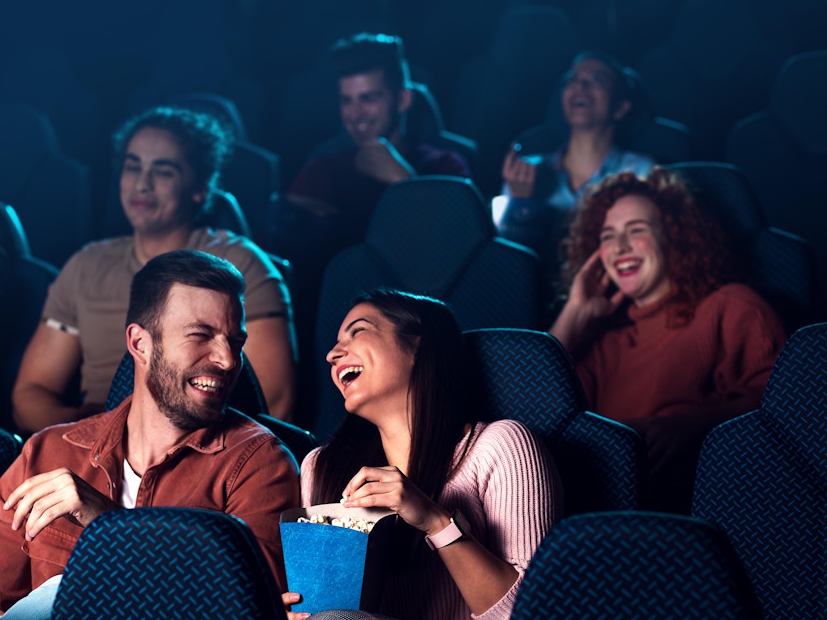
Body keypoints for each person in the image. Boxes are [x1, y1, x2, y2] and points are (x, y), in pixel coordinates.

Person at [0, 250, 300, 620]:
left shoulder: (259, 463)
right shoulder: (48, 452)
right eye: (201, 335)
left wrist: (111, 527)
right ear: (140, 343)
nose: (228, 360)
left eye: (235, 342)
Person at [286, 288, 561, 620]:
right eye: (334, 343)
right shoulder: (321, 467)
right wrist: (293, 611)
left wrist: (435, 520)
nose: (333, 353)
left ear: (418, 347)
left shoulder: (500, 446)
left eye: (357, 332)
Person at [12, 106, 296, 432]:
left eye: (163, 171)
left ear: (199, 188)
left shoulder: (240, 265)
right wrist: (92, 434)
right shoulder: (86, 265)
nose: (142, 184)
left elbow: (275, 404)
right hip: (95, 446)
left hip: (203, 450)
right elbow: (31, 394)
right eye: (133, 167)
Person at [549, 167, 786, 512]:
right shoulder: (604, 342)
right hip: (608, 514)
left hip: (708, 508)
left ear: (674, 238)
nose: (621, 247)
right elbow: (533, 407)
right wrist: (575, 311)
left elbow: (785, 408)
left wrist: (689, 425)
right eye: (608, 236)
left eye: (637, 230)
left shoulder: (731, 307)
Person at [286, 32, 471, 245]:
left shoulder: (444, 166)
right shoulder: (321, 170)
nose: (355, 114)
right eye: (346, 101)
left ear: (403, 99)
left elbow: (460, 243)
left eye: (369, 98)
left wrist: (403, 181)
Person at [496, 51, 655, 287]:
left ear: (620, 108)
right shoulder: (527, 173)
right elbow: (506, 266)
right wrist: (522, 207)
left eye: (596, 80)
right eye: (572, 80)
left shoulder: (640, 172)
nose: (580, 86)